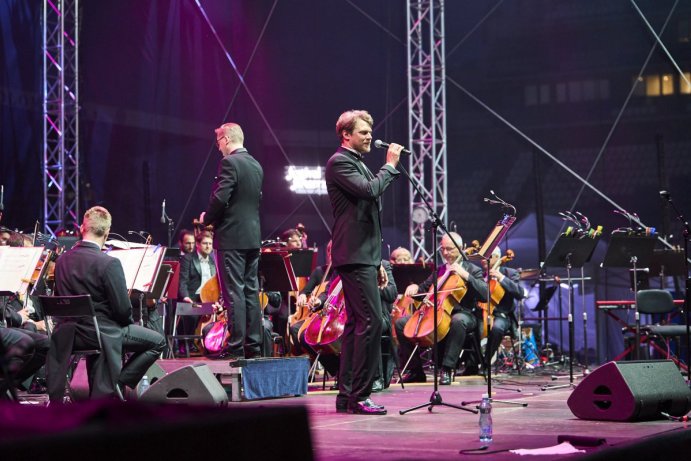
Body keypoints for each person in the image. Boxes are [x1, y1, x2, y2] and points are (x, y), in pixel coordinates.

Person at [325, 109, 403, 415]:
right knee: (371, 322)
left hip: (364, 255)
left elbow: (367, 215)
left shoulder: (356, 163)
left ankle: (348, 396)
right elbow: (370, 191)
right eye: (363, 132)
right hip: (354, 255)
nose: (370, 136)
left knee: (358, 324)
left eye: (370, 131)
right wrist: (391, 166)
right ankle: (360, 394)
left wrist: (378, 261)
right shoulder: (340, 161)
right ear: (346, 135)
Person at [47, 206, 166, 402]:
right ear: (107, 232)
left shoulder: (62, 261)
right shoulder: (109, 263)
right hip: (101, 334)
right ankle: (118, 382)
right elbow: (122, 311)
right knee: (158, 341)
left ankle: (109, 384)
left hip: (68, 336)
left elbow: (61, 299)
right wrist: (127, 318)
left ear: (81, 228)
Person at [202, 122, 263, 360]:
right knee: (250, 290)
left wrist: (207, 218)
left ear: (226, 139)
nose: (218, 148)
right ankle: (254, 345)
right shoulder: (256, 164)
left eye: (218, 143)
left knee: (233, 292)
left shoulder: (230, 162)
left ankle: (236, 345)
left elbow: (221, 197)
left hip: (231, 237)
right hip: (252, 237)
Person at [395, 232, 488, 385]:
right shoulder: (439, 271)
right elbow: (423, 290)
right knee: (401, 324)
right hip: (435, 313)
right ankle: (416, 371)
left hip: (464, 314)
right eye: (443, 249)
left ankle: (447, 368)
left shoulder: (472, 269)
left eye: (450, 249)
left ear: (462, 248)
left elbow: (485, 295)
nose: (445, 253)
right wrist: (415, 287)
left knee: (457, 321)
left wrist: (465, 275)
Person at [482, 247, 523, 372]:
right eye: (482, 257)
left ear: (496, 258)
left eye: (487, 257)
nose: (483, 260)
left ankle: (485, 363)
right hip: (482, 312)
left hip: (502, 315)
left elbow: (519, 293)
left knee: (496, 328)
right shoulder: (480, 274)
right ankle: (471, 364)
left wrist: (501, 277)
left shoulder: (510, 273)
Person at [176, 231, 216, 356]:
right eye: (205, 243)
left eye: (210, 243)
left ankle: (214, 344)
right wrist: (186, 296)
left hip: (209, 299)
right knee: (192, 314)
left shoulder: (213, 260)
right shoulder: (188, 259)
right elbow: (183, 281)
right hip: (194, 298)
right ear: (197, 244)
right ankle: (186, 344)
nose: (208, 246)